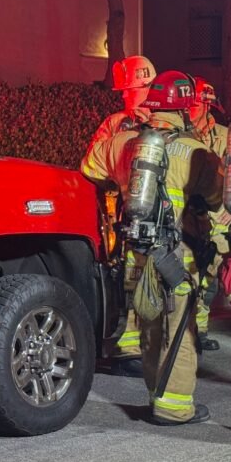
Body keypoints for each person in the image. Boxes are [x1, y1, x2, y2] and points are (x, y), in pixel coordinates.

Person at [82, 70, 223, 424]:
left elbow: (89, 167)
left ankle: (154, 395)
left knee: (149, 326)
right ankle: (174, 407)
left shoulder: (126, 143)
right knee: (180, 327)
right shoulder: (197, 151)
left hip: (138, 252)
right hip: (179, 255)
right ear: (185, 108)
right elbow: (218, 198)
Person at [82, 56, 157, 377]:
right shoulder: (116, 123)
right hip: (125, 214)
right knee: (132, 279)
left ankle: (144, 346)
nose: (125, 96)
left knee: (147, 280)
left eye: (129, 91)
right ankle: (131, 348)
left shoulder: (160, 120)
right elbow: (94, 165)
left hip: (156, 212)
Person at [186, 76, 228, 354]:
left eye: (198, 104)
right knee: (190, 276)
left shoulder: (224, 136)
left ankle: (199, 330)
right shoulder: (182, 135)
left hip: (220, 216)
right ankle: (193, 333)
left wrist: (229, 213)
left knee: (209, 278)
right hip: (189, 215)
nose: (192, 109)